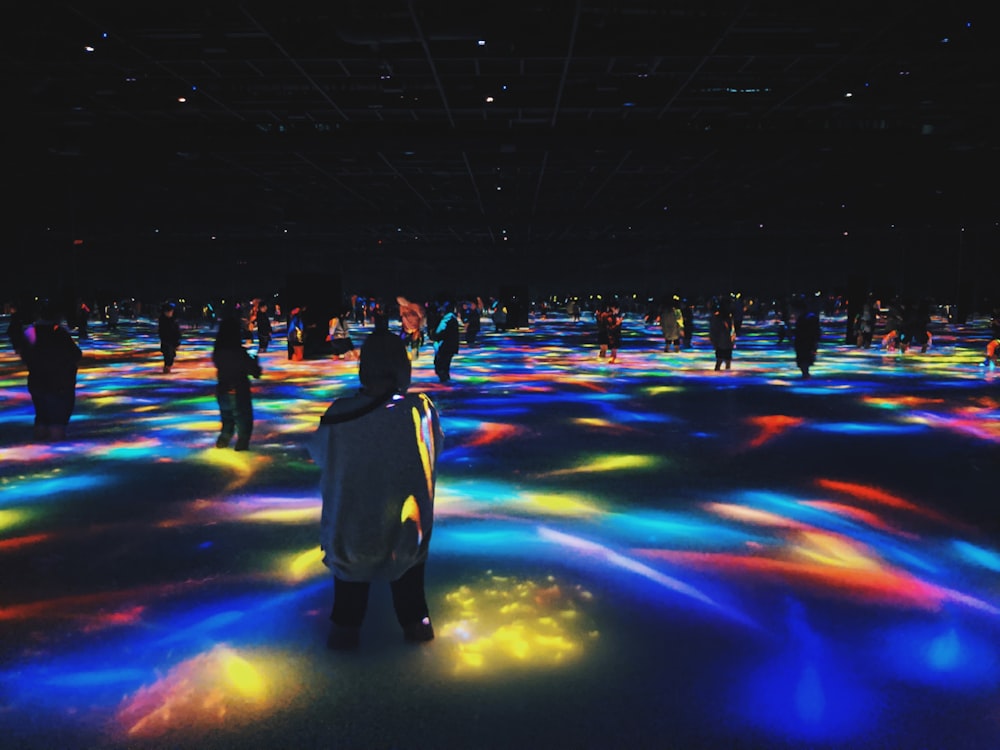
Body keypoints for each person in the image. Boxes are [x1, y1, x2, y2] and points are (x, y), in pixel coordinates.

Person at [309, 326, 444, 650]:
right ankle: (419, 651)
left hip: (352, 527)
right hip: (407, 526)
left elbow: (319, 454)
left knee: (347, 610)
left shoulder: (340, 413)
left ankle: (341, 675)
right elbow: (435, 447)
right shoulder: (420, 410)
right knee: (412, 604)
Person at [21, 302, 82, 441]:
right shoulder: (58, 333)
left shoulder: (31, 332)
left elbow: (25, 354)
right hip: (58, 381)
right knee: (57, 416)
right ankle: (56, 447)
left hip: (36, 379)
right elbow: (75, 354)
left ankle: (39, 445)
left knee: (42, 414)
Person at [212, 317, 262, 451]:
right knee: (243, 422)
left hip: (222, 389)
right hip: (238, 390)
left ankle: (222, 447)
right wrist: (254, 361)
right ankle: (241, 450)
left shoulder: (218, 351)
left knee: (227, 421)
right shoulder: (239, 352)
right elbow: (255, 372)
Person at [430, 301, 460, 384]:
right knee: (442, 364)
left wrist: (435, 337)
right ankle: (444, 379)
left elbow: (446, 334)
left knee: (442, 365)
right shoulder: (446, 318)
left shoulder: (448, 319)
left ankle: (444, 380)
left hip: (446, 346)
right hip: (444, 346)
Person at [708, 298, 735, 371]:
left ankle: (721, 378)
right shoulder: (721, 318)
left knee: (720, 361)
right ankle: (724, 378)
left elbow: (732, 330)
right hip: (723, 343)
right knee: (724, 362)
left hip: (723, 343)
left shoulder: (724, 318)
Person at [794, 308, 821, 377]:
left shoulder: (805, 318)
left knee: (804, 357)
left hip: (805, 341)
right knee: (805, 357)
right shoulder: (807, 318)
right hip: (805, 341)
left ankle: (805, 372)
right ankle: (805, 372)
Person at [397, 296, 425, 360]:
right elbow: (403, 317)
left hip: (415, 329)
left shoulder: (415, 306)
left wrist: (420, 328)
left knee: (414, 345)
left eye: (400, 300)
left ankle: (414, 355)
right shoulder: (401, 307)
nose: (399, 302)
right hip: (405, 329)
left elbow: (422, 317)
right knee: (402, 343)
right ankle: (403, 355)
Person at [157, 302, 181, 373]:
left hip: (172, 342)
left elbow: (177, 332)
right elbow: (161, 332)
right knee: (167, 355)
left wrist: (177, 342)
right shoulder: (163, 321)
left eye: (171, 312)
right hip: (166, 342)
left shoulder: (173, 321)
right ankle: (167, 368)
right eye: (169, 311)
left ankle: (168, 367)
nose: (170, 313)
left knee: (171, 356)